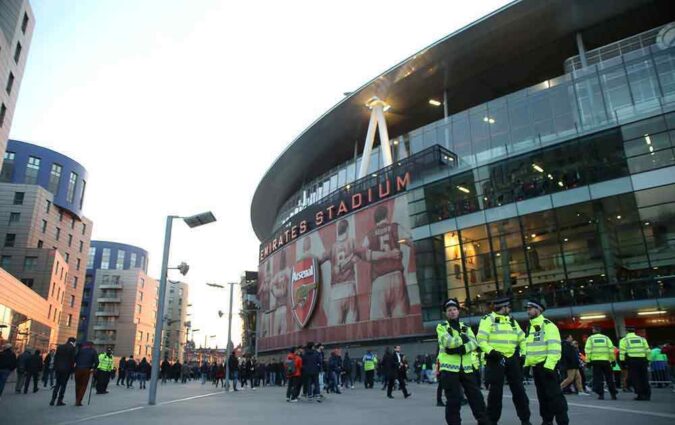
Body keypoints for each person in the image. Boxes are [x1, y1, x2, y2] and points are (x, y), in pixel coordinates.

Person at [477, 297, 531, 425]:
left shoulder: (512, 321)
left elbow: (522, 339)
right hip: (495, 359)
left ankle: (525, 420)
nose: (510, 309)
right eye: (508, 307)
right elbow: (481, 340)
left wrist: (522, 354)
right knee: (495, 392)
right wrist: (492, 352)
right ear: (503, 307)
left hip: (512, 358)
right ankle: (492, 420)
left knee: (519, 390)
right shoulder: (487, 320)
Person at [437, 297, 490, 425]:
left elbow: (474, 343)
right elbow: (448, 342)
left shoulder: (465, 327)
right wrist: (463, 340)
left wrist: (460, 349)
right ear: (446, 313)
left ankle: (484, 422)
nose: (452, 312)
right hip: (449, 369)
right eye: (449, 310)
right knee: (453, 401)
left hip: (467, 368)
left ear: (458, 311)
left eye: (454, 309)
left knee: (476, 397)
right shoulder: (441, 327)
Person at [362, 204, 411, 319]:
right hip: (396, 276)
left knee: (379, 324)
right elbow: (411, 241)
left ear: (375, 219)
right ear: (386, 215)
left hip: (379, 279)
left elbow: (362, 253)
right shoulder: (395, 227)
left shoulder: (369, 235)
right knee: (400, 320)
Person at [523, 300, 569, 425]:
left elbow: (554, 348)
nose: (527, 311)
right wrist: (526, 366)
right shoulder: (530, 327)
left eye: (530, 308)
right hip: (536, 368)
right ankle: (547, 421)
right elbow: (530, 349)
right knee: (542, 398)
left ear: (538, 310)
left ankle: (562, 421)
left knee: (555, 397)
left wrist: (549, 366)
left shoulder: (548, 325)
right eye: (527, 309)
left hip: (547, 367)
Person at [584, 325, 618, 400]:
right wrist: (613, 360)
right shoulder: (606, 338)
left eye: (593, 329)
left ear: (594, 330)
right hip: (606, 361)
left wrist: (588, 361)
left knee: (598, 378)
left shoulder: (590, 339)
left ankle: (601, 394)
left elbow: (588, 350)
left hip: (596, 362)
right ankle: (613, 394)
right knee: (609, 378)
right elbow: (611, 350)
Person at [619, 327, 651, 401]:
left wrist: (622, 362)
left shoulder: (624, 340)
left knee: (636, 378)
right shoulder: (642, 339)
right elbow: (648, 351)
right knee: (644, 378)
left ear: (626, 331)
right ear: (634, 331)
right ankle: (647, 394)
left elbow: (622, 352)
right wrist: (648, 360)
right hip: (643, 360)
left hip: (632, 361)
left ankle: (640, 395)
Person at [50, 337, 76, 406]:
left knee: (57, 384)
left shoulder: (60, 347)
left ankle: (52, 400)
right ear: (73, 342)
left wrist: (55, 366)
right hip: (66, 369)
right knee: (63, 385)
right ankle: (60, 400)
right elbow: (72, 360)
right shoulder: (72, 348)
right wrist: (72, 369)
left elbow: (56, 357)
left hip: (58, 368)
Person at [74, 341, 98, 406]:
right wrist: (94, 368)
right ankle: (78, 401)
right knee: (84, 385)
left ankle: (77, 398)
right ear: (92, 345)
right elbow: (97, 361)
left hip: (78, 369)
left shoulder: (81, 350)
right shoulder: (93, 351)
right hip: (86, 370)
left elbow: (75, 358)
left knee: (77, 385)